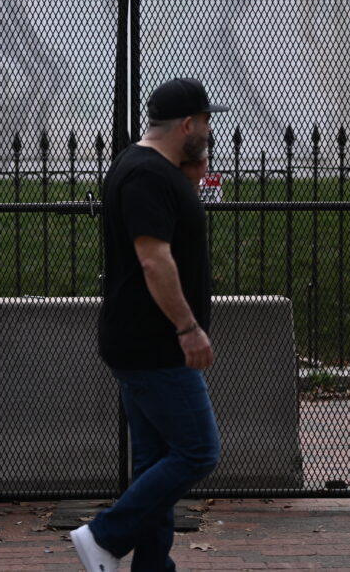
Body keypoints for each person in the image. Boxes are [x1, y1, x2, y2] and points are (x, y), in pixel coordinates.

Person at [72, 78, 224, 572]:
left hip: (142, 343)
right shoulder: (146, 176)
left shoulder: (149, 170)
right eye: (204, 121)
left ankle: (152, 568)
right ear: (187, 125)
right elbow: (154, 261)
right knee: (199, 450)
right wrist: (188, 329)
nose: (207, 129)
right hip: (154, 345)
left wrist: (190, 180)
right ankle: (103, 536)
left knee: (156, 462)